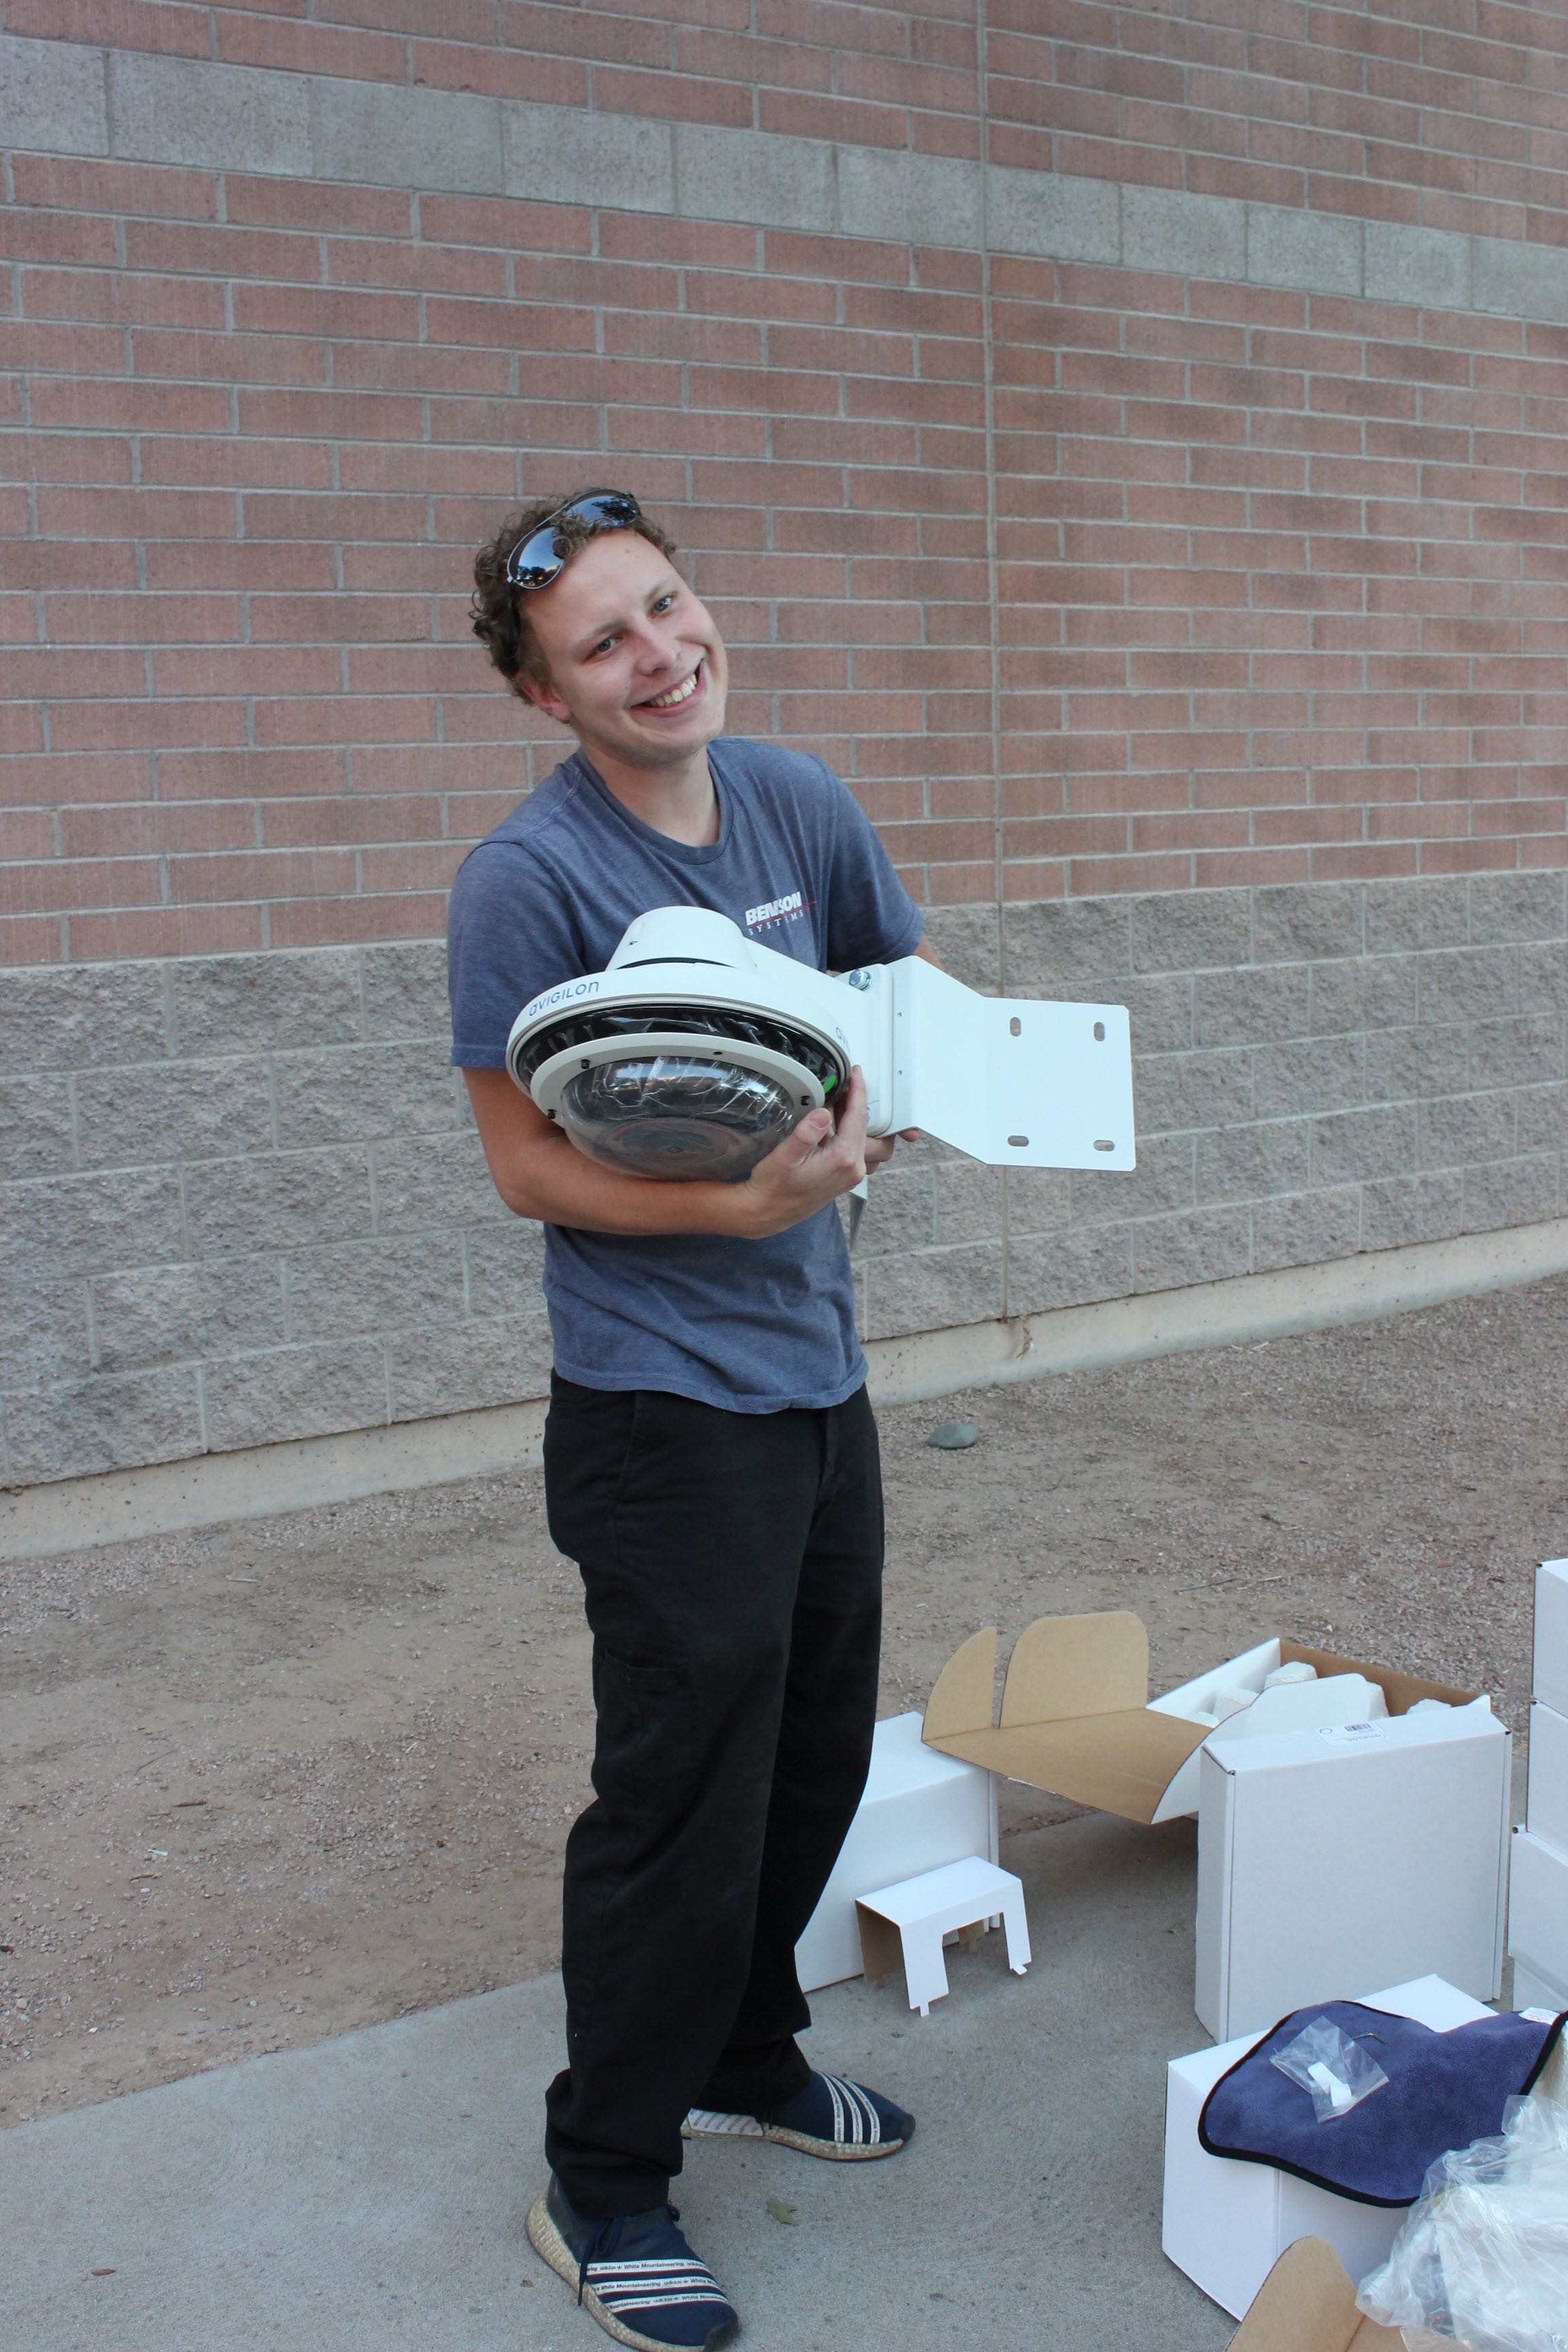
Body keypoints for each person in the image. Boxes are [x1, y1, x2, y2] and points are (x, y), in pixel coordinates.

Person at [449, 489, 931, 2352]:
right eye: (603, 645)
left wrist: (935, 1097)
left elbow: (897, 997)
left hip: (822, 1378)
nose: (660, 658)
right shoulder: (529, 876)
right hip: (662, 1417)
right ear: (541, 693)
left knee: (813, 1753)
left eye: (668, 609)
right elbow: (520, 1166)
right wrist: (736, 1209)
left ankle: (748, 2051)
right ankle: (608, 2175)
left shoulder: (797, 799)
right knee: (679, 1796)